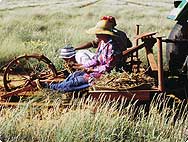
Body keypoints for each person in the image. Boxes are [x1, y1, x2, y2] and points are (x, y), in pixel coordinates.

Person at [37, 18, 123, 92]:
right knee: (75, 74)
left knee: (78, 81)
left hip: (105, 74)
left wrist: (92, 70)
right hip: (96, 70)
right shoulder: (103, 43)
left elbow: (108, 67)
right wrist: (83, 66)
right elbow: (96, 59)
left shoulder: (112, 47)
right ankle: (60, 86)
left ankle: (50, 87)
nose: (96, 34)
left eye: (98, 32)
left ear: (104, 33)